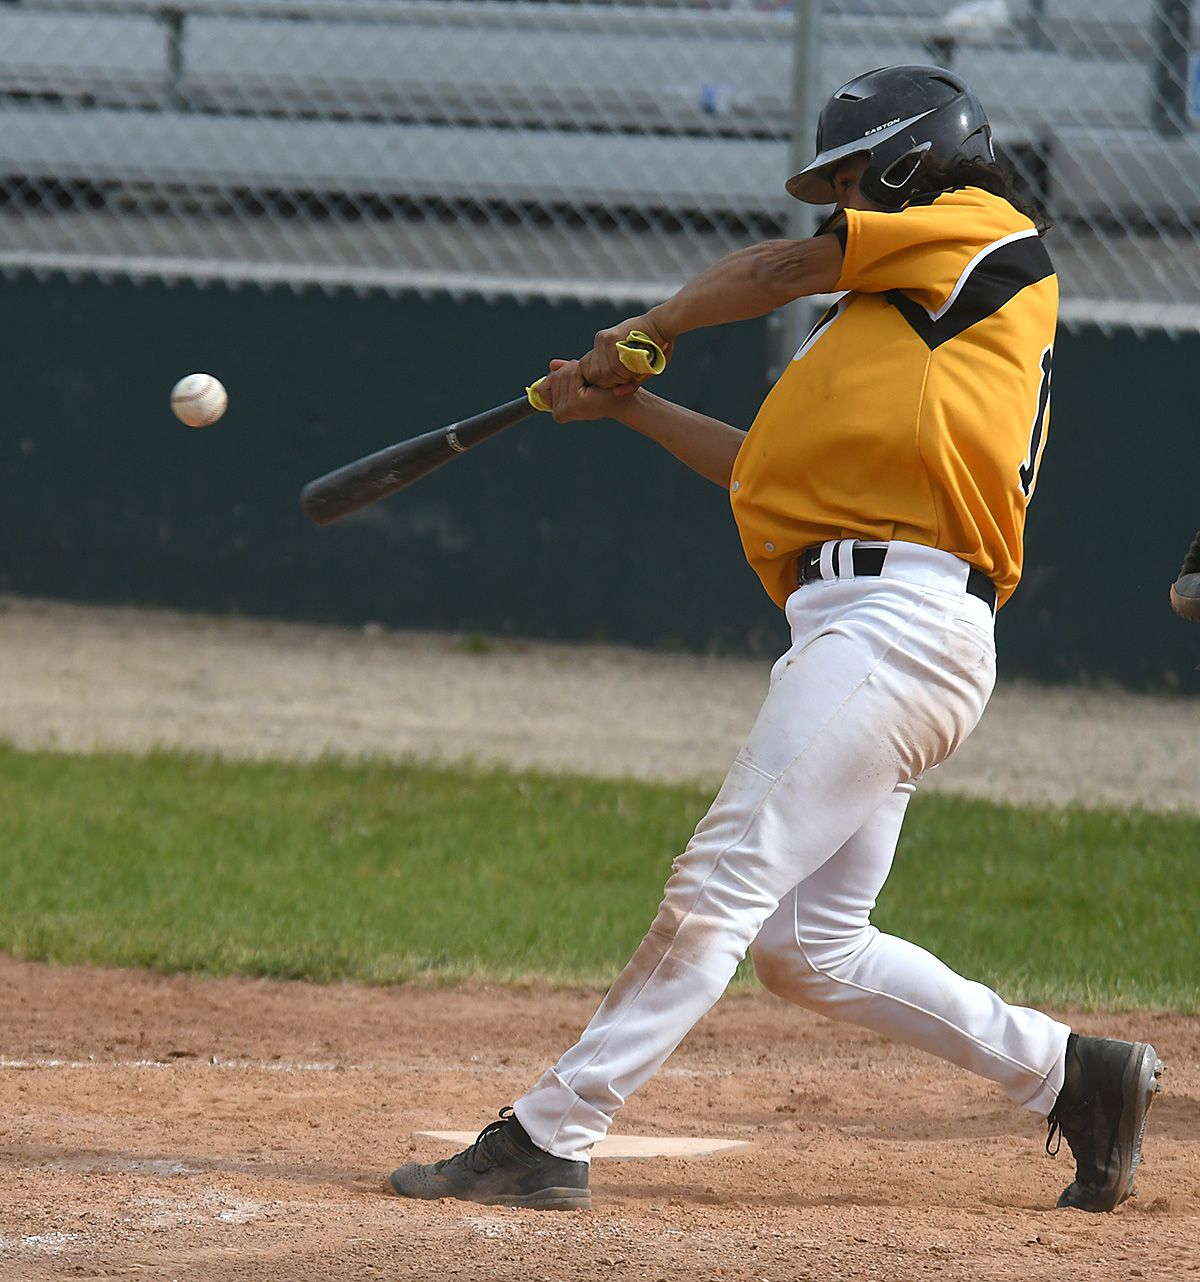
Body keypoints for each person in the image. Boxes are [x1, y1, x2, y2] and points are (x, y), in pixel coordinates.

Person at [388, 64, 1163, 1214]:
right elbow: (764, 470)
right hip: (874, 625)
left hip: (898, 621)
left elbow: (774, 268)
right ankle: (1072, 1074)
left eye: (854, 179)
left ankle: (550, 1133)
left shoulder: (981, 231)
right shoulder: (892, 331)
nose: (839, 204)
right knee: (811, 947)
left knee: (720, 882)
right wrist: (629, 404)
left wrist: (649, 327)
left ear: (914, 162)